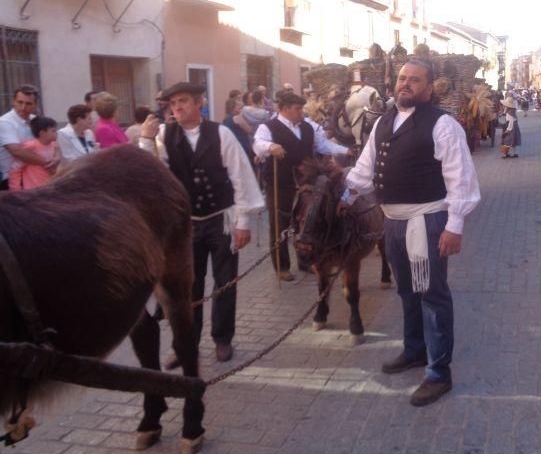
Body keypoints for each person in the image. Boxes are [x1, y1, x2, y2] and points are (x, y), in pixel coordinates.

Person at [343, 58, 480, 407]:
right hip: (393, 221)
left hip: (429, 220)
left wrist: (455, 225)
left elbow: (460, 177)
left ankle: (439, 373)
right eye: (402, 78)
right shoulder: (384, 121)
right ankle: (415, 350)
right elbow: (365, 166)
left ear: (429, 87)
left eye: (415, 80)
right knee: (407, 290)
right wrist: (346, 196)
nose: (406, 84)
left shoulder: (443, 124)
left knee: (432, 295)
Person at [139, 82, 264, 364]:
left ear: (199, 103)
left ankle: (222, 339)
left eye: (182, 101)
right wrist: (145, 140)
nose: (177, 108)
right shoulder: (162, 135)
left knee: (225, 283)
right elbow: (150, 174)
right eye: (172, 104)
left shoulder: (221, 134)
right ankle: (184, 345)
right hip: (185, 226)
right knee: (184, 288)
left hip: (222, 221)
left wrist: (243, 222)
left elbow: (240, 177)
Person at [253, 91, 352, 280]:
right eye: (298, 109)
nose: (301, 112)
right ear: (284, 109)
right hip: (280, 183)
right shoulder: (268, 128)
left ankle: (305, 261)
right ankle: (282, 267)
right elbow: (258, 144)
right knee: (280, 224)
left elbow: (323, 146)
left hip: (306, 183)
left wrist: (346, 150)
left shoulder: (307, 128)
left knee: (306, 222)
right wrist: (270, 147)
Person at [0, 85, 56, 191]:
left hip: (35, 177)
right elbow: (17, 152)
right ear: (13, 101)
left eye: (28, 104)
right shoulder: (4, 122)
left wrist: (56, 157)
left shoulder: (36, 120)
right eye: (20, 102)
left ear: (35, 105)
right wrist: (48, 163)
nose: (23, 107)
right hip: (11, 181)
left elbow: (53, 140)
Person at [8, 116, 59, 190]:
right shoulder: (30, 146)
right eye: (53, 131)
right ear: (42, 133)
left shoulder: (54, 146)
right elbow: (15, 169)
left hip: (50, 187)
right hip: (33, 190)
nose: (56, 133)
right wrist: (15, 189)